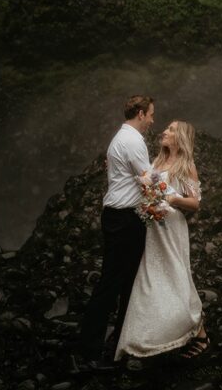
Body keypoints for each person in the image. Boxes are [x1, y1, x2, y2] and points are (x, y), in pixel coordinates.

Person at [72, 95, 155, 374]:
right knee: (112, 285)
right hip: (124, 219)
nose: (153, 120)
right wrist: (181, 196)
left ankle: (114, 346)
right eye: (151, 114)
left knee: (125, 284)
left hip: (121, 217)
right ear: (141, 114)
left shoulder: (122, 137)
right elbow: (148, 180)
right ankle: (89, 352)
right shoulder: (133, 141)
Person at [115, 119, 208, 361]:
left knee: (176, 273)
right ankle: (146, 337)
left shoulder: (187, 165)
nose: (164, 132)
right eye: (166, 128)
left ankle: (197, 329)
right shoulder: (156, 161)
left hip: (172, 227)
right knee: (151, 276)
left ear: (180, 137)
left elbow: (195, 203)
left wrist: (171, 197)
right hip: (153, 227)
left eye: (171, 130)